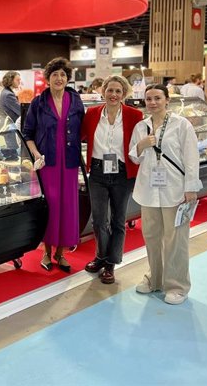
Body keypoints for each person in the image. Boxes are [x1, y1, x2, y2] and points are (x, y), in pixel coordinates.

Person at [129, 84, 202, 305]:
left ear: (167, 100)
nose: (152, 102)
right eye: (148, 98)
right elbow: (134, 157)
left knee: (176, 239)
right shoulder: (141, 127)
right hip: (148, 191)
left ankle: (177, 285)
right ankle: (155, 279)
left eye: (157, 98)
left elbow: (191, 158)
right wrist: (141, 145)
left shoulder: (181, 125)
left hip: (175, 190)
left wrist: (191, 188)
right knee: (152, 237)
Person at [23, 57, 84, 273]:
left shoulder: (76, 101)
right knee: (51, 206)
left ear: (68, 78)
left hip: (69, 162)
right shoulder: (38, 103)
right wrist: (36, 153)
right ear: (48, 78)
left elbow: (83, 129)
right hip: (46, 163)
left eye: (63, 75)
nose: (59, 78)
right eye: (55, 74)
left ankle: (61, 253)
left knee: (67, 207)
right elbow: (27, 134)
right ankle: (47, 253)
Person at [81, 76, 144, 284]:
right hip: (98, 171)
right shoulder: (91, 113)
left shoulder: (134, 115)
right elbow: (78, 136)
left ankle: (111, 264)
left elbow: (140, 143)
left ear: (124, 94)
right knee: (99, 220)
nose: (114, 95)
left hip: (123, 173)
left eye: (118, 91)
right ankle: (100, 257)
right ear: (103, 92)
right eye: (110, 90)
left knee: (118, 220)